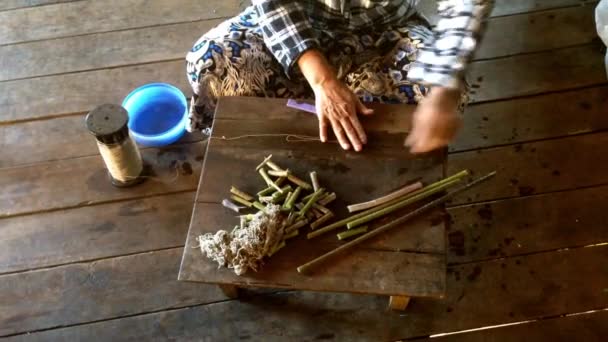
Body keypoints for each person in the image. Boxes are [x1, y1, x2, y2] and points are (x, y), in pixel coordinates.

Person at [186, 0, 494, 153]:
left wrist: (443, 91)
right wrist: (323, 81)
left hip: (386, 30)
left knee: (435, 93)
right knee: (211, 63)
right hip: (302, 20)